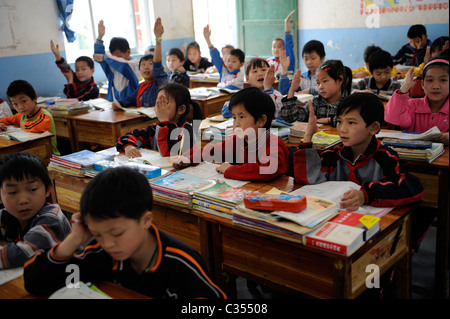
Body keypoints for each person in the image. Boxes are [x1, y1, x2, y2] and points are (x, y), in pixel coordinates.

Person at [23, 166, 227, 299]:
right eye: (98, 234)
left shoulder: (181, 262)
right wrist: (74, 240)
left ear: (146, 220)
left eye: (117, 233)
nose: (108, 243)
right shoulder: (100, 253)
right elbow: (36, 283)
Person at [287, 93, 424, 210]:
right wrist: (307, 137)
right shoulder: (334, 154)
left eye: (351, 123)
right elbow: (310, 179)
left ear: (373, 127)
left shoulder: (385, 157)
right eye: (340, 121)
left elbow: (412, 188)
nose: (342, 129)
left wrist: (366, 194)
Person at [198, 87, 289, 181]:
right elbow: (212, 151)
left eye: (241, 117)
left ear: (261, 121)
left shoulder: (274, 145)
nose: (236, 124)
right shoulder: (237, 141)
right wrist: (189, 158)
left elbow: (267, 170)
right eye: (234, 118)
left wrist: (231, 170)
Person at [0, 153, 71, 269]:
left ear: (47, 189)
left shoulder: (52, 218)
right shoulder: (6, 215)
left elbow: (24, 253)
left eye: (33, 189)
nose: (23, 200)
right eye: (12, 192)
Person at [116, 83, 202, 163]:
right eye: (158, 101)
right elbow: (130, 136)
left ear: (181, 109)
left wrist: (165, 122)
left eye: (164, 102)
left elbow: (169, 155)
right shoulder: (155, 128)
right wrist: (128, 146)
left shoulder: (186, 130)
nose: (158, 105)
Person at [384, 57, 449, 145]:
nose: (436, 86)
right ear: (422, 84)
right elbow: (393, 118)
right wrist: (403, 90)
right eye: (430, 80)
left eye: (443, 80)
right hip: (412, 157)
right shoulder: (412, 105)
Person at [113, 18, 168, 108]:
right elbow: (131, 99)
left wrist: (158, 38)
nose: (146, 67)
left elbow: (157, 63)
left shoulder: (159, 83)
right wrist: (120, 104)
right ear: (139, 70)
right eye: (143, 64)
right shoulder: (141, 86)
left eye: (150, 64)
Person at [280, 60, 352, 126]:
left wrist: (330, 120)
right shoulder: (316, 102)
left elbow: (350, 121)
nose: (320, 87)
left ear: (340, 80)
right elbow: (290, 116)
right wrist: (292, 90)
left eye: (325, 81)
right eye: (318, 83)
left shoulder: (348, 103)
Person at [0, 80, 60, 155]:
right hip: (31, 153)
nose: (20, 107)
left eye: (23, 101)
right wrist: (1, 124)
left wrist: (24, 125)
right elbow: (6, 120)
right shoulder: (21, 115)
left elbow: (38, 127)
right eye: (15, 104)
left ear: (34, 98)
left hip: (50, 156)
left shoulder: (44, 115)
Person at [93, 19, 140, 102]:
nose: (115, 58)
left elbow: (123, 65)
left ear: (128, 52)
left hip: (130, 104)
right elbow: (98, 56)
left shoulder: (134, 64)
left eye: (118, 56)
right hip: (113, 103)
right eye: (113, 56)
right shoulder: (110, 62)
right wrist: (100, 37)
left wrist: (105, 57)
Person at [203, 25, 245, 90]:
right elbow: (215, 57)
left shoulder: (239, 76)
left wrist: (219, 85)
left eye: (234, 61)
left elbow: (228, 87)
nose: (230, 64)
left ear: (241, 64)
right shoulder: (223, 68)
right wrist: (208, 40)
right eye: (228, 61)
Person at [267, 9, 296, 78]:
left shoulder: (288, 59)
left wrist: (286, 23)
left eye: (279, 46)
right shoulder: (268, 62)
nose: (276, 49)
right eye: (274, 47)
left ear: (285, 48)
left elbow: (288, 42)